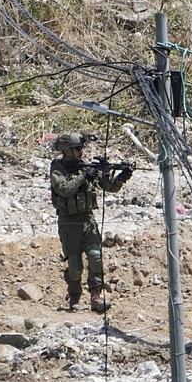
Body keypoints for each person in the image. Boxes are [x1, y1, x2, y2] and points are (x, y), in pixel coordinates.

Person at [49, 132, 132, 312]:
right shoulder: (57, 169)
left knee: (95, 256)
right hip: (69, 222)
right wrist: (85, 175)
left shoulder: (84, 167)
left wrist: (121, 176)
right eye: (76, 149)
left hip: (87, 218)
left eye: (81, 148)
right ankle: (74, 296)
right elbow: (65, 189)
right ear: (66, 150)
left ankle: (96, 296)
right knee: (75, 265)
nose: (80, 152)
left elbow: (108, 187)